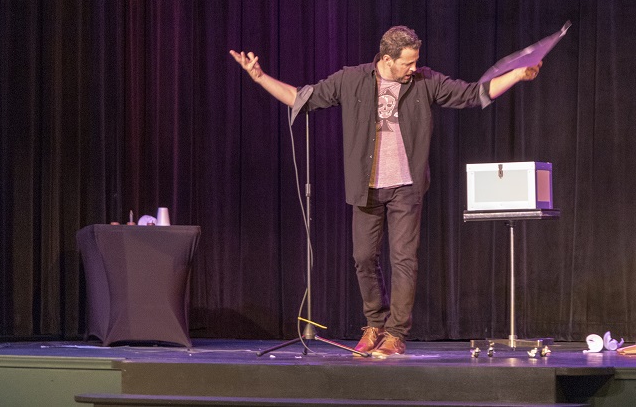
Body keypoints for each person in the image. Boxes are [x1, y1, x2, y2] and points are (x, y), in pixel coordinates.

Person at [229, 26, 542, 358]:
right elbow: (300, 97)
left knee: (403, 259)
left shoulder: (425, 81)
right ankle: (375, 324)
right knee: (363, 258)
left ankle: (395, 333)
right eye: (407, 63)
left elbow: (473, 94)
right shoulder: (351, 79)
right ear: (387, 59)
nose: (413, 68)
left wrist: (517, 74)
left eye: (415, 61)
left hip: (406, 186)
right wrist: (259, 77)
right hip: (366, 187)